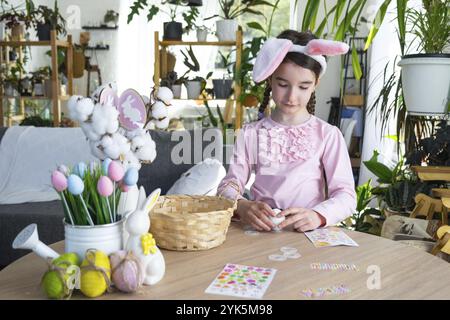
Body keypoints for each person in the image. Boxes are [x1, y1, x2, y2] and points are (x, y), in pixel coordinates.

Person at [217, 29, 356, 233]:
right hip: (261, 233)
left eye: (303, 86)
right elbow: (229, 185)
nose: (292, 96)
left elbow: (346, 195)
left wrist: (317, 216)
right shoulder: (250, 134)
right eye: (283, 84)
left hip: (307, 234)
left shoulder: (328, 135)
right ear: (270, 80)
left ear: (315, 84)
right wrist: (242, 205)